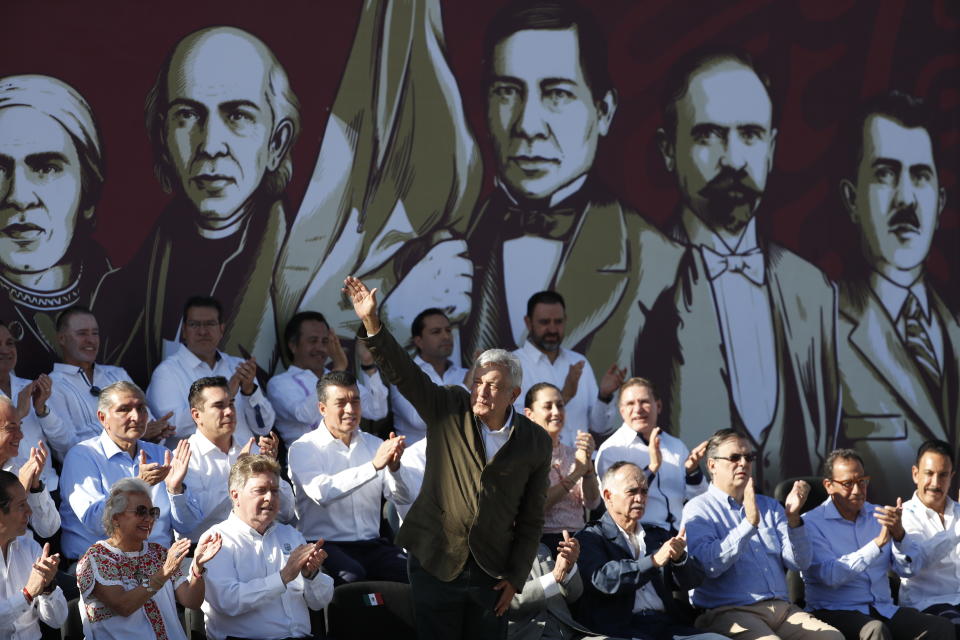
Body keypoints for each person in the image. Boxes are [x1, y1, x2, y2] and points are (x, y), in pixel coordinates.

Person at [640, 47, 838, 492]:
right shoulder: (639, 276)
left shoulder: (814, 290)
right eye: (709, 135)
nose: (733, 159)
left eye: (749, 134)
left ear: (770, 147)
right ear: (668, 150)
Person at [460, 0, 683, 377]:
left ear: (605, 110)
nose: (528, 125)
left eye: (557, 93)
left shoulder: (661, 266)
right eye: (507, 91)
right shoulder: (450, 246)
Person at [345, 275, 552, 640]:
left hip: (491, 572)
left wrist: (516, 577)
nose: (482, 391)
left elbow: (532, 516)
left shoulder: (534, 440)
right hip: (435, 562)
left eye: (493, 385)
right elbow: (405, 375)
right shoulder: (451, 407)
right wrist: (372, 324)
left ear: (514, 393)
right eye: (478, 382)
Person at [97, 26, 301, 381]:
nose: (210, 145)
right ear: (163, 137)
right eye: (188, 115)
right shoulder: (121, 293)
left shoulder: (307, 273)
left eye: (237, 115)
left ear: (277, 142)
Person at [833, 91, 959, 506]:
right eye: (886, 174)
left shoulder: (954, 329)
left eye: (921, 176)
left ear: (940, 201)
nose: (906, 198)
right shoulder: (823, 329)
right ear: (851, 199)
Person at [0, 74, 113, 380]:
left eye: (46, 167)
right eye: (0, 168)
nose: (19, 197)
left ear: (87, 193)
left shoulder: (123, 297)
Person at [681, 429, 842, 640]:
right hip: (728, 611)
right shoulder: (698, 509)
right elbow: (708, 565)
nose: (743, 463)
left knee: (833, 638)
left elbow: (800, 563)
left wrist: (794, 519)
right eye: (734, 457)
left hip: (783, 610)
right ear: (712, 465)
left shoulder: (770, 506)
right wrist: (748, 524)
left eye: (748, 457)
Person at [802, 448, 953, 640]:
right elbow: (830, 576)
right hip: (835, 611)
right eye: (848, 484)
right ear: (828, 485)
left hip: (883, 609)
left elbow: (909, 570)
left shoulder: (878, 515)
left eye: (862, 482)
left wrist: (899, 537)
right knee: (876, 630)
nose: (857, 490)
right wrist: (877, 545)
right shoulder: (811, 523)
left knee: (940, 627)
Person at [287, 370, 410, 585]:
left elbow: (400, 497)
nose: (350, 410)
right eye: (341, 403)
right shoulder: (304, 447)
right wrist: (373, 466)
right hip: (324, 544)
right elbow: (321, 493)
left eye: (355, 401)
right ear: (322, 408)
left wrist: (395, 468)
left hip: (372, 544)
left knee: (409, 573)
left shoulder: (374, 444)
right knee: (352, 577)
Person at [574, 461, 722, 640]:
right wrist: (652, 562)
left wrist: (679, 559)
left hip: (666, 627)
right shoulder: (590, 538)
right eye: (632, 491)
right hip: (620, 630)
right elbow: (603, 580)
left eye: (644, 491)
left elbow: (694, 580)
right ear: (608, 495)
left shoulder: (656, 535)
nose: (640, 498)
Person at [59, 381, 202, 561]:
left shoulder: (161, 455)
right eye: (124, 409)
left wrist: (176, 491)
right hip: (103, 567)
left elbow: (188, 526)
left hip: (159, 563)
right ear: (103, 418)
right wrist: (137, 486)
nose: (136, 416)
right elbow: (95, 522)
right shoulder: (83, 456)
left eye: (141, 408)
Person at [201, 454, 333, 640]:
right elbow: (227, 601)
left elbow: (319, 602)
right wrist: (283, 577)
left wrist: (311, 575)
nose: (270, 498)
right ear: (235, 495)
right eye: (260, 490)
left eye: (275, 490)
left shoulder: (291, 535)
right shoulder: (217, 539)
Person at [76, 477, 221, 640]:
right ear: (115, 517)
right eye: (141, 512)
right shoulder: (97, 559)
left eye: (153, 512)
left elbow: (191, 601)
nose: (149, 519)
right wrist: (164, 572)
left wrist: (197, 568)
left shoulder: (158, 553)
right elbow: (124, 606)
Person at [146, 296, 275, 444]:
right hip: (198, 465)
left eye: (210, 324)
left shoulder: (237, 366)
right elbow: (173, 426)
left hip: (245, 461)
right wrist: (225, 395)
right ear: (184, 330)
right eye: (194, 324)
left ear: (221, 329)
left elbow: (263, 427)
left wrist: (249, 391)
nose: (202, 331)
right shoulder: (167, 372)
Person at [183, 376, 294, 542]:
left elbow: (287, 512)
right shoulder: (185, 456)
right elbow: (191, 518)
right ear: (197, 415)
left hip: (258, 549)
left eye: (231, 404)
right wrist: (238, 474)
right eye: (219, 406)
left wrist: (273, 472)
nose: (229, 411)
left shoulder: (252, 449)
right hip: (204, 553)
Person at [596, 378, 707, 534]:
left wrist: (692, 473)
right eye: (630, 404)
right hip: (641, 538)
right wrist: (652, 469)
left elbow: (700, 498)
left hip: (682, 534)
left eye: (644, 402)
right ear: (621, 411)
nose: (638, 409)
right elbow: (613, 502)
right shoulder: (611, 449)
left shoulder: (676, 446)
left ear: (659, 406)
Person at [49, 306, 173, 444]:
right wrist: (134, 435)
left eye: (95, 333)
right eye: (82, 333)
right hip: (90, 464)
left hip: (138, 460)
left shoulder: (117, 374)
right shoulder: (52, 385)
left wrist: (157, 433)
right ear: (61, 339)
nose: (91, 340)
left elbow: (148, 423)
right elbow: (66, 446)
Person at [512, 292, 622, 446]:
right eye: (544, 322)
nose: (552, 329)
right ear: (528, 323)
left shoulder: (578, 361)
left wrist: (604, 397)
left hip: (581, 465)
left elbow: (600, 426)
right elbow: (514, 425)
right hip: (539, 466)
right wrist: (565, 395)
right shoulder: (512, 365)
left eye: (558, 322)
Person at [267, 310, 387, 447]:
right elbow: (306, 415)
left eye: (325, 341)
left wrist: (368, 364)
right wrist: (339, 368)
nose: (320, 347)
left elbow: (378, 411)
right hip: (313, 461)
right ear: (293, 346)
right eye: (313, 341)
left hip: (356, 456)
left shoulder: (339, 375)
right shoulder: (279, 383)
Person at [523, 382, 600, 549]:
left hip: (579, 538)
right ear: (529, 414)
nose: (556, 412)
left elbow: (592, 503)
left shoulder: (574, 454)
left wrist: (588, 468)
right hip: (542, 542)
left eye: (560, 406)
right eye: (547, 407)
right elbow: (534, 507)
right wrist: (575, 475)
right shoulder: (523, 455)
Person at [0, 321, 70, 488]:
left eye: (9, 343)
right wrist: (18, 413)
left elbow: (65, 445)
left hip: (49, 489)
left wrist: (42, 410)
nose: (4, 350)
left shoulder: (31, 388)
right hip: (9, 496)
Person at [508, 538, 622, 640]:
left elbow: (573, 595)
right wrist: (553, 577)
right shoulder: (493, 558)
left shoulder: (540, 549)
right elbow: (509, 601)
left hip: (569, 633)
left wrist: (569, 568)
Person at [0, 469, 67, 639]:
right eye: (21, 505)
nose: (29, 511)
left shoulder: (30, 547)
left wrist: (47, 588)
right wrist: (28, 594)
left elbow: (57, 621)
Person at [900, 440, 960, 623]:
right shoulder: (904, 516)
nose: (935, 483)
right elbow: (915, 563)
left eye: (943, 475)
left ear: (952, 476)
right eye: (929, 474)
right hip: (925, 604)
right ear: (915, 474)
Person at [388, 308, 469, 443]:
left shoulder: (464, 374)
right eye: (436, 332)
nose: (446, 336)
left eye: (448, 330)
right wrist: (465, 387)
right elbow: (419, 420)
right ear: (419, 341)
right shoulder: (403, 375)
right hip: (419, 462)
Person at [0, 397, 59, 539]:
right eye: (10, 428)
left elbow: (49, 529)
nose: (20, 436)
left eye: (19, 427)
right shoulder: (19, 476)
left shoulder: (18, 469)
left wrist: (35, 487)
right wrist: (20, 491)